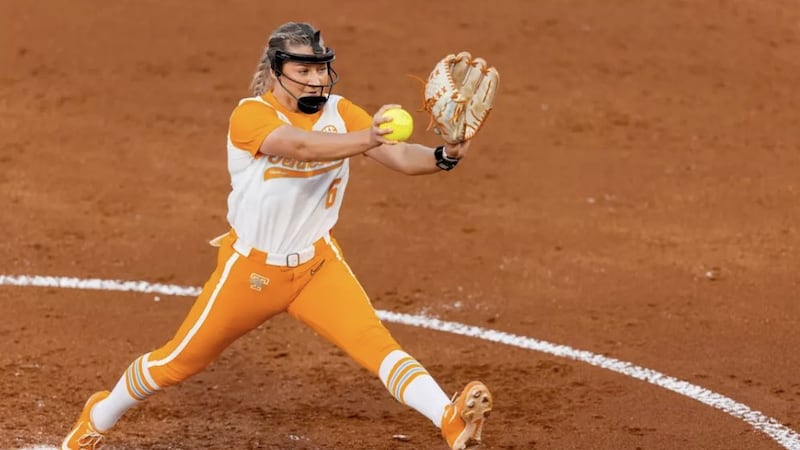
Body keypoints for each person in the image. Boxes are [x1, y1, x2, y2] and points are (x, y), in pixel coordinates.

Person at [62, 21, 492, 450]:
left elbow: (399, 157)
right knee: (177, 362)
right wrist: (366, 137)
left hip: (316, 267)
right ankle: (96, 418)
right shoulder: (250, 115)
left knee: (377, 346)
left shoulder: (341, 114)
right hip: (250, 272)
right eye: (302, 71)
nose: (314, 80)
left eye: (320, 69)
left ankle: (449, 418)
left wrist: (446, 155)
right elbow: (299, 146)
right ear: (276, 72)